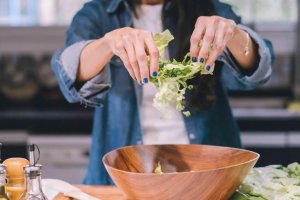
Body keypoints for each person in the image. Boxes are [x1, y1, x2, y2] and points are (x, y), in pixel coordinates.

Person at [51, 0, 274, 185]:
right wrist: (108, 43)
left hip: (208, 175)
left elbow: (259, 72)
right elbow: (70, 78)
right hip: (127, 176)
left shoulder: (210, 8)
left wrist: (234, 35)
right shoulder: (98, 13)